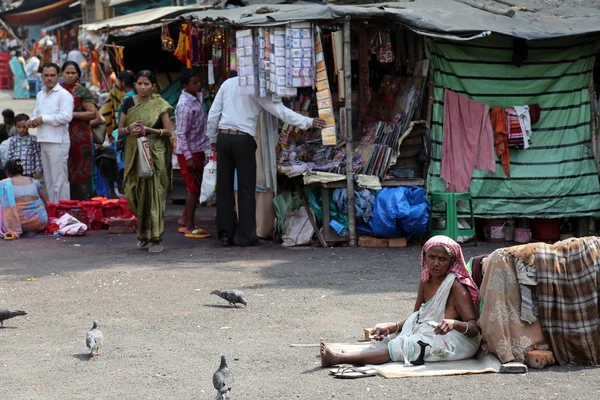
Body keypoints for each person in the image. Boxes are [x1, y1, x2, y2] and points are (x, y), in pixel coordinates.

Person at [319, 236, 481, 367]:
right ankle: (346, 355)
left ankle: (338, 359)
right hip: (429, 333)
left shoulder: (455, 286)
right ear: (425, 258)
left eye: (442, 259)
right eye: (431, 257)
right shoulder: (425, 281)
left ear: (451, 262)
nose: (436, 263)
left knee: (403, 346)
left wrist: (453, 323)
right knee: (388, 339)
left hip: (455, 341)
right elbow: (416, 318)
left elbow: (474, 328)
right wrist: (392, 327)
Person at [207, 77, 327, 246]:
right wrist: (308, 122)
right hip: (243, 139)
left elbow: (213, 114)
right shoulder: (255, 87)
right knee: (246, 189)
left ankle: (225, 235)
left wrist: (212, 137)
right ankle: (246, 236)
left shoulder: (227, 84)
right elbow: (280, 111)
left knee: (224, 188)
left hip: (224, 137)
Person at [118, 70, 173, 253]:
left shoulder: (159, 104)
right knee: (134, 193)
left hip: (154, 154)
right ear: (135, 85)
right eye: (139, 84)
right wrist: (128, 128)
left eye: (146, 84)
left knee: (155, 195)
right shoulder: (128, 102)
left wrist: (151, 130)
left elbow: (168, 131)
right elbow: (120, 130)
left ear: (153, 86)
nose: (142, 88)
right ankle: (143, 234)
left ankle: (156, 239)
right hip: (134, 152)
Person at [28, 62, 74, 203]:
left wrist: (43, 119)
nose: (49, 78)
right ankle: (54, 212)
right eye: (46, 75)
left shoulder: (64, 95)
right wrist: (32, 120)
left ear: (58, 76)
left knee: (60, 181)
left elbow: (66, 117)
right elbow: (37, 113)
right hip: (43, 140)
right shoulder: (40, 94)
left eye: (52, 75)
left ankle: (64, 214)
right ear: (41, 76)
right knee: (48, 181)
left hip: (58, 142)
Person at [175, 68, 211, 239]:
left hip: (198, 148)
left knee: (194, 187)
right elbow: (181, 134)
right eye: (194, 83)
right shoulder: (184, 106)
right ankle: (189, 225)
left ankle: (184, 219)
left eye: (198, 81)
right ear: (185, 85)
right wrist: (188, 158)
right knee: (193, 189)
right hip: (189, 152)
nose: (198, 85)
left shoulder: (197, 97)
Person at [60, 61, 97, 200]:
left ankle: (83, 200)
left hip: (80, 138)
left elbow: (92, 113)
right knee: (64, 167)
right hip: (61, 134)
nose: (70, 76)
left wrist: (69, 114)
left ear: (78, 75)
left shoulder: (82, 91)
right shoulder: (57, 89)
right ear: (62, 74)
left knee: (80, 167)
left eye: (73, 73)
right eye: (67, 73)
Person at [0, 159, 48, 238]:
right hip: (40, 221)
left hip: (18, 223)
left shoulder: (4, 184)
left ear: (7, 172)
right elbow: (45, 205)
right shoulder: (34, 181)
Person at [7, 114, 42, 179]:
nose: (22, 129)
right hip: (16, 172)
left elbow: (37, 156)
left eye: (24, 127)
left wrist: (38, 170)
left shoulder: (33, 140)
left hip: (30, 172)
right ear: (15, 127)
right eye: (19, 127)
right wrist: (9, 170)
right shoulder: (13, 140)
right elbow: (10, 156)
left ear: (28, 126)